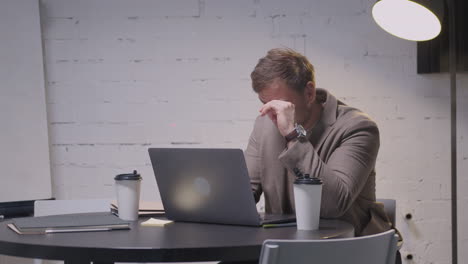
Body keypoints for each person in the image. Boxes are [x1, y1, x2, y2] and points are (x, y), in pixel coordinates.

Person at [244, 48, 392, 237]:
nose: (273, 114)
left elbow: (332, 205)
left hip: (345, 247)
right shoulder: (264, 125)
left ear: (309, 93)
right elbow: (246, 193)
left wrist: (292, 134)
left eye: (282, 105)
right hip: (286, 245)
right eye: (266, 103)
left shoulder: (358, 128)